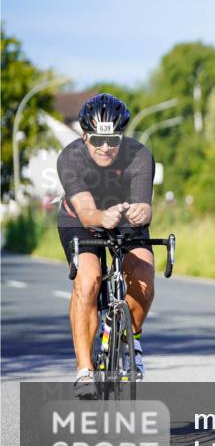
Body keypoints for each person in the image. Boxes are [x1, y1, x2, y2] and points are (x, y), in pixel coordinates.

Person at [56, 93, 155, 398]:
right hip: (80, 219)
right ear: (85, 136)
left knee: (143, 273)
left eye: (113, 140)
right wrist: (102, 216)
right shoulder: (70, 158)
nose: (105, 147)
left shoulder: (140, 155)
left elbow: (145, 206)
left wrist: (141, 212)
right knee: (89, 280)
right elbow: (87, 212)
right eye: (97, 139)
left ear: (122, 137)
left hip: (124, 215)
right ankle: (85, 370)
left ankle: (130, 340)